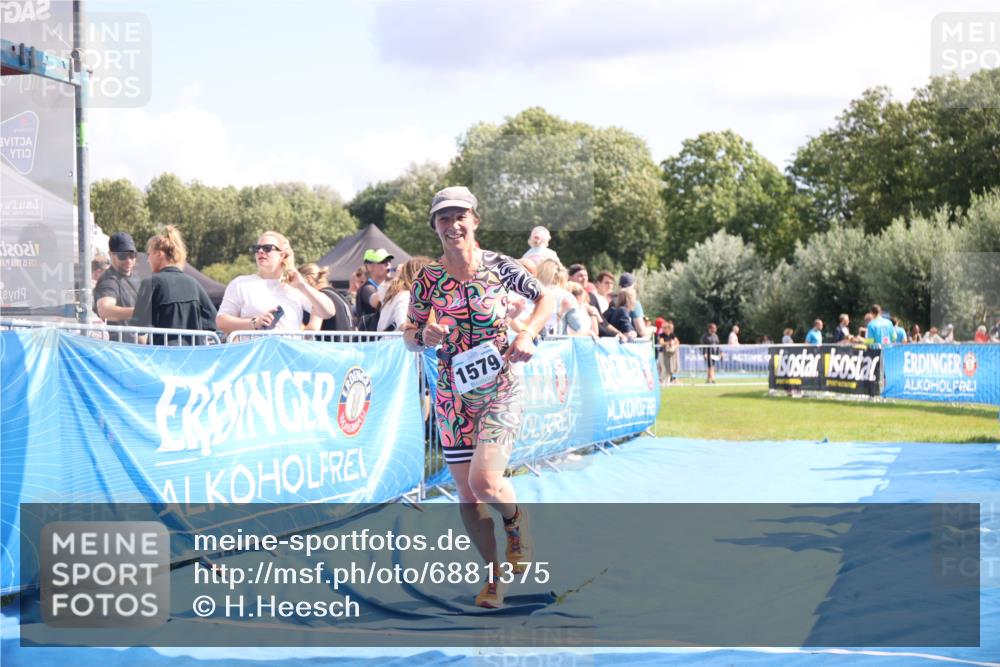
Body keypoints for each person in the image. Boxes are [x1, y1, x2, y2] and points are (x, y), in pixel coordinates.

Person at [403, 186, 554, 609]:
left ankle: (516, 520)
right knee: (467, 494)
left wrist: (527, 333)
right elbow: (408, 335)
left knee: (484, 481)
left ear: (475, 221)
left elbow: (546, 298)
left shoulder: (501, 266)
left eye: (460, 216)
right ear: (435, 226)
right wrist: (424, 334)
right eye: (444, 218)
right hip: (452, 393)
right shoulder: (428, 279)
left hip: (500, 385)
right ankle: (493, 577)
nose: (453, 225)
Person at [216, 231, 334, 337]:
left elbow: (328, 312)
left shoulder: (294, 285)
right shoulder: (240, 283)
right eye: (257, 248)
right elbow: (221, 321)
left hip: (287, 353)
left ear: (282, 255)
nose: (260, 251)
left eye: (267, 248)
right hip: (254, 353)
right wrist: (254, 323)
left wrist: (302, 285)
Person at [132, 226, 218, 345]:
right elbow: (213, 321)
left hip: (162, 354)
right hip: (192, 354)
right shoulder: (193, 283)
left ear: (159, 254)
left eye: (149, 255)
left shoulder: (150, 283)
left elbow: (138, 325)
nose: (148, 260)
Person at [94, 232, 141, 342]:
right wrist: (140, 313)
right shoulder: (109, 281)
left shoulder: (135, 278)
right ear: (111, 255)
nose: (128, 260)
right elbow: (104, 310)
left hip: (137, 347)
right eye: (122, 256)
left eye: (132, 255)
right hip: (118, 348)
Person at [377, 256, 433, 332]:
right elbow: (403, 324)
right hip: (396, 339)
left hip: (390, 339)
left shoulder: (400, 293)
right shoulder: (406, 296)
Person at [299, 263, 355, 333]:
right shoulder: (339, 295)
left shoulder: (319, 299)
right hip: (348, 339)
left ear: (309, 279)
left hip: (331, 339)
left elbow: (313, 329)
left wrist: (295, 334)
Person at [357, 248, 394, 331]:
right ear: (369, 266)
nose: (388, 264)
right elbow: (377, 302)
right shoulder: (367, 288)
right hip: (370, 337)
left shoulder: (387, 285)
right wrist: (394, 281)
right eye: (383, 261)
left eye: (389, 261)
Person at [617, 273, 648, 338]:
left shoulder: (613, 302)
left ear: (620, 286)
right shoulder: (634, 303)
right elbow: (641, 331)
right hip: (630, 341)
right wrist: (650, 331)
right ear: (633, 286)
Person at [657, 319, 680, 386]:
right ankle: (662, 382)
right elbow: (661, 342)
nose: (664, 329)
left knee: (669, 368)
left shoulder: (672, 335)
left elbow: (677, 342)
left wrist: (674, 345)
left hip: (670, 353)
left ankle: (667, 382)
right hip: (662, 353)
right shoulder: (662, 335)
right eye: (663, 328)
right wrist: (669, 343)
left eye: (665, 328)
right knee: (663, 367)